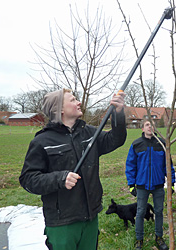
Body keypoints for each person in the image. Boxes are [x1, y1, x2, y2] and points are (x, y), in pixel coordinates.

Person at [19, 89, 127, 250]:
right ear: (59, 110)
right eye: (73, 100)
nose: (79, 102)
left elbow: (116, 139)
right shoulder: (42, 141)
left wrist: (118, 113)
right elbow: (28, 179)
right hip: (62, 222)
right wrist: (60, 179)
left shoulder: (89, 133)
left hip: (90, 216)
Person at [125, 119, 176, 250]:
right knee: (140, 212)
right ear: (142, 128)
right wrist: (131, 184)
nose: (150, 127)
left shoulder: (162, 144)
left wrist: (172, 183)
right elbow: (130, 165)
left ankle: (159, 237)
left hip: (158, 185)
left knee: (159, 212)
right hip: (142, 186)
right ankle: (139, 239)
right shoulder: (136, 144)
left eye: (152, 125)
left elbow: (168, 165)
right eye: (147, 125)